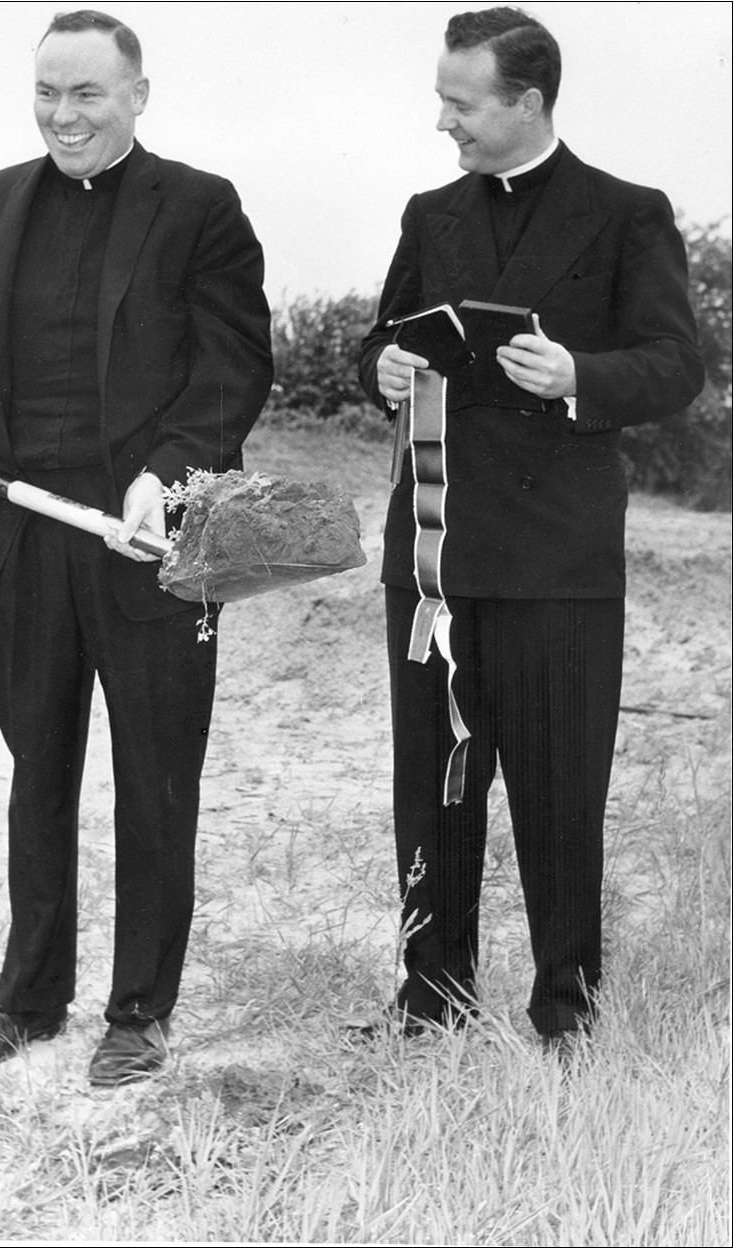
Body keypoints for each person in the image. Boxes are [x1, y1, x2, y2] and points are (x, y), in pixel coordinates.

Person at [0, 9, 272, 1084]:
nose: (63, 115)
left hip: (146, 540)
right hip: (22, 531)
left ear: (137, 96)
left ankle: (140, 1013)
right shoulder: (1, 196)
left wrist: (162, 473)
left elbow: (232, 369)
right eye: (48, 94)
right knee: (38, 770)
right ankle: (29, 1000)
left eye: (87, 95)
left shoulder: (201, 207)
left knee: (156, 774)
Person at [359, 7, 703, 1049]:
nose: (442, 124)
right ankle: (432, 999)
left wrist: (575, 378)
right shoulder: (429, 212)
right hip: (435, 557)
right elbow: (383, 335)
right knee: (433, 793)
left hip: (559, 566)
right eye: (441, 102)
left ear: (527, 101)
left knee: (559, 803)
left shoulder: (627, 213)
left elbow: (675, 365)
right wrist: (377, 367)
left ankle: (566, 1014)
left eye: (460, 105)